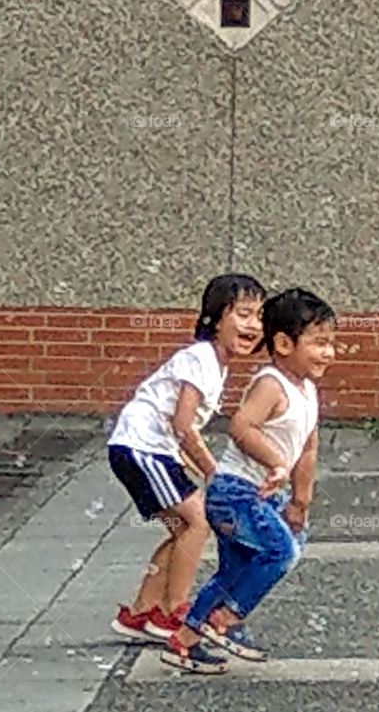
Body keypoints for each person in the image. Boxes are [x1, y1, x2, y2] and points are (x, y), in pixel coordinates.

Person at [162, 287, 335, 674]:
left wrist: (300, 501)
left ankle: (185, 642)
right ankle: (226, 619)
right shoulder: (271, 383)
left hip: (258, 495)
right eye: (319, 343)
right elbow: (241, 427)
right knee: (281, 552)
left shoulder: (307, 390)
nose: (329, 353)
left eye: (331, 344)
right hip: (234, 492)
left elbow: (308, 449)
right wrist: (275, 463)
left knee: (236, 569)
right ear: (284, 343)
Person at [106, 274, 265, 669]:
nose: (254, 325)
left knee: (182, 527)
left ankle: (142, 612)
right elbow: (183, 426)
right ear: (214, 318)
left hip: (144, 449)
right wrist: (217, 475)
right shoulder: (200, 358)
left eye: (259, 316)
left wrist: (206, 471)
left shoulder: (215, 365)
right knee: (198, 522)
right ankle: (174, 611)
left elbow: (182, 435)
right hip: (141, 447)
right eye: (243, 314)